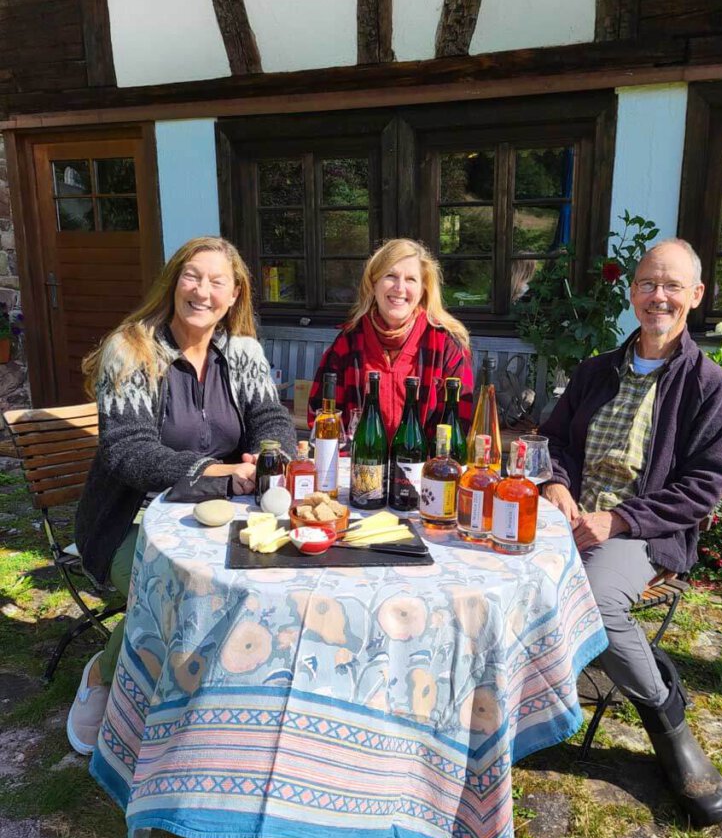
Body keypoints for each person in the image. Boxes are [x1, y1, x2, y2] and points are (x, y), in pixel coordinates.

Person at [67, 236, 296, 755]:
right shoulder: (133, 350)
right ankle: (103, 675)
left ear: (234, 295)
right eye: (193, 276)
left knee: (266, 578)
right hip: (129, 524)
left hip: (224, 518)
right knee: (178, 588)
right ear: (174, 282)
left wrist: (267, 455)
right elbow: (129, 452)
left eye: (218, 281)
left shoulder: (242, 353)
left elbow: (272, 419)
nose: (203, 291)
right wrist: (216, 470)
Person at [540, 238, 722, 826]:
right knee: (483, 560)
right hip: (571, 517)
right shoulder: (596, 370)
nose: (659, 296)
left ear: (695, 296)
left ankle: (667, 720)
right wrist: (555, 485)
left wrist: (618, 520)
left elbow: (704, 488)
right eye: (649, 283)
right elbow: (556, 442)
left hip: (641, 533)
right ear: (632, 292)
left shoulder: (710, 386)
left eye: (673, 285)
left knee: (599, 603)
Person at [308, 238, 474, 440]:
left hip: (425, 468)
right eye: (390, 276)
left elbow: (457, 428)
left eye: (411, 279)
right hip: (360, 466)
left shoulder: (446, 346)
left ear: (423, 289)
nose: (399, 288)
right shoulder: (348, 343)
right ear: (374, 283)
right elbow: (321, 418)